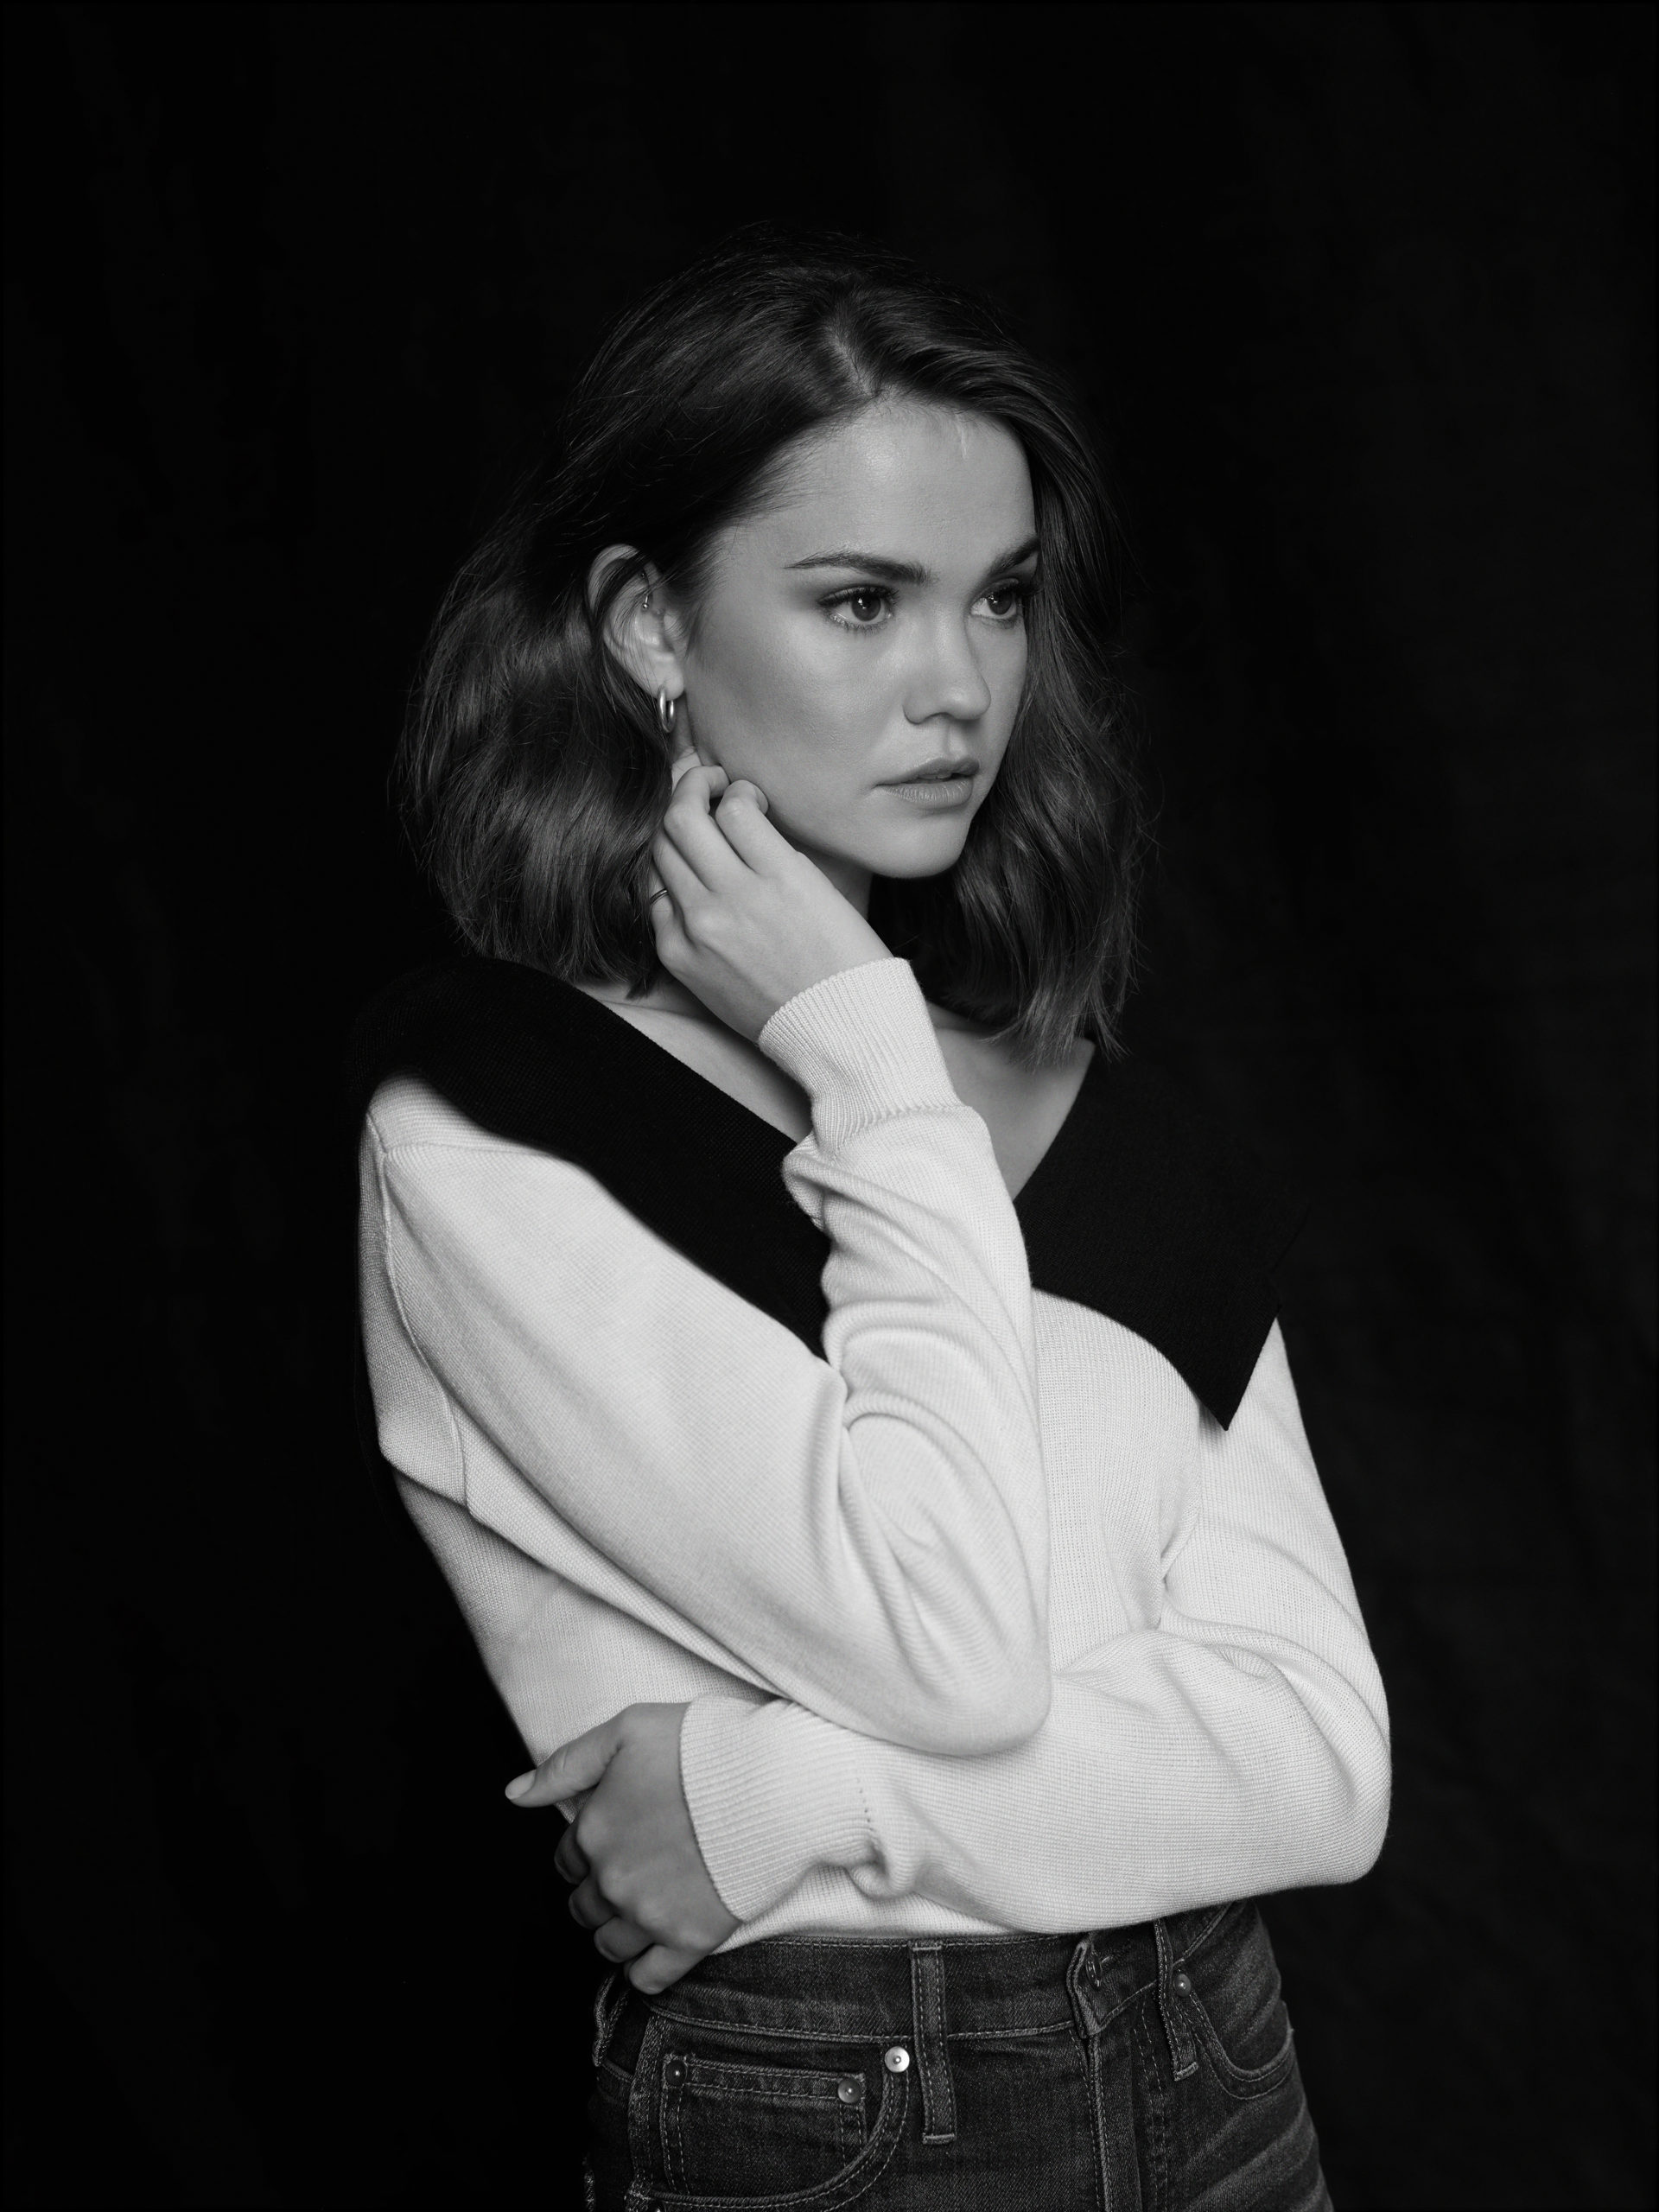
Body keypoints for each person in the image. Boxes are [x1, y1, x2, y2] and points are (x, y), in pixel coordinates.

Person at [352, 226, 1390, 2209]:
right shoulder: (486, 1134)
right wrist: (868, 1057)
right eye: (859, 601)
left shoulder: (1086, 1099)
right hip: (843, 2106)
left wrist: (767, 1790)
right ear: (647, 626)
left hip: (1225, 2069)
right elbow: (956, 1647)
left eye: (1000, 598)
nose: (960, 686)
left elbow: (1320, 1759)